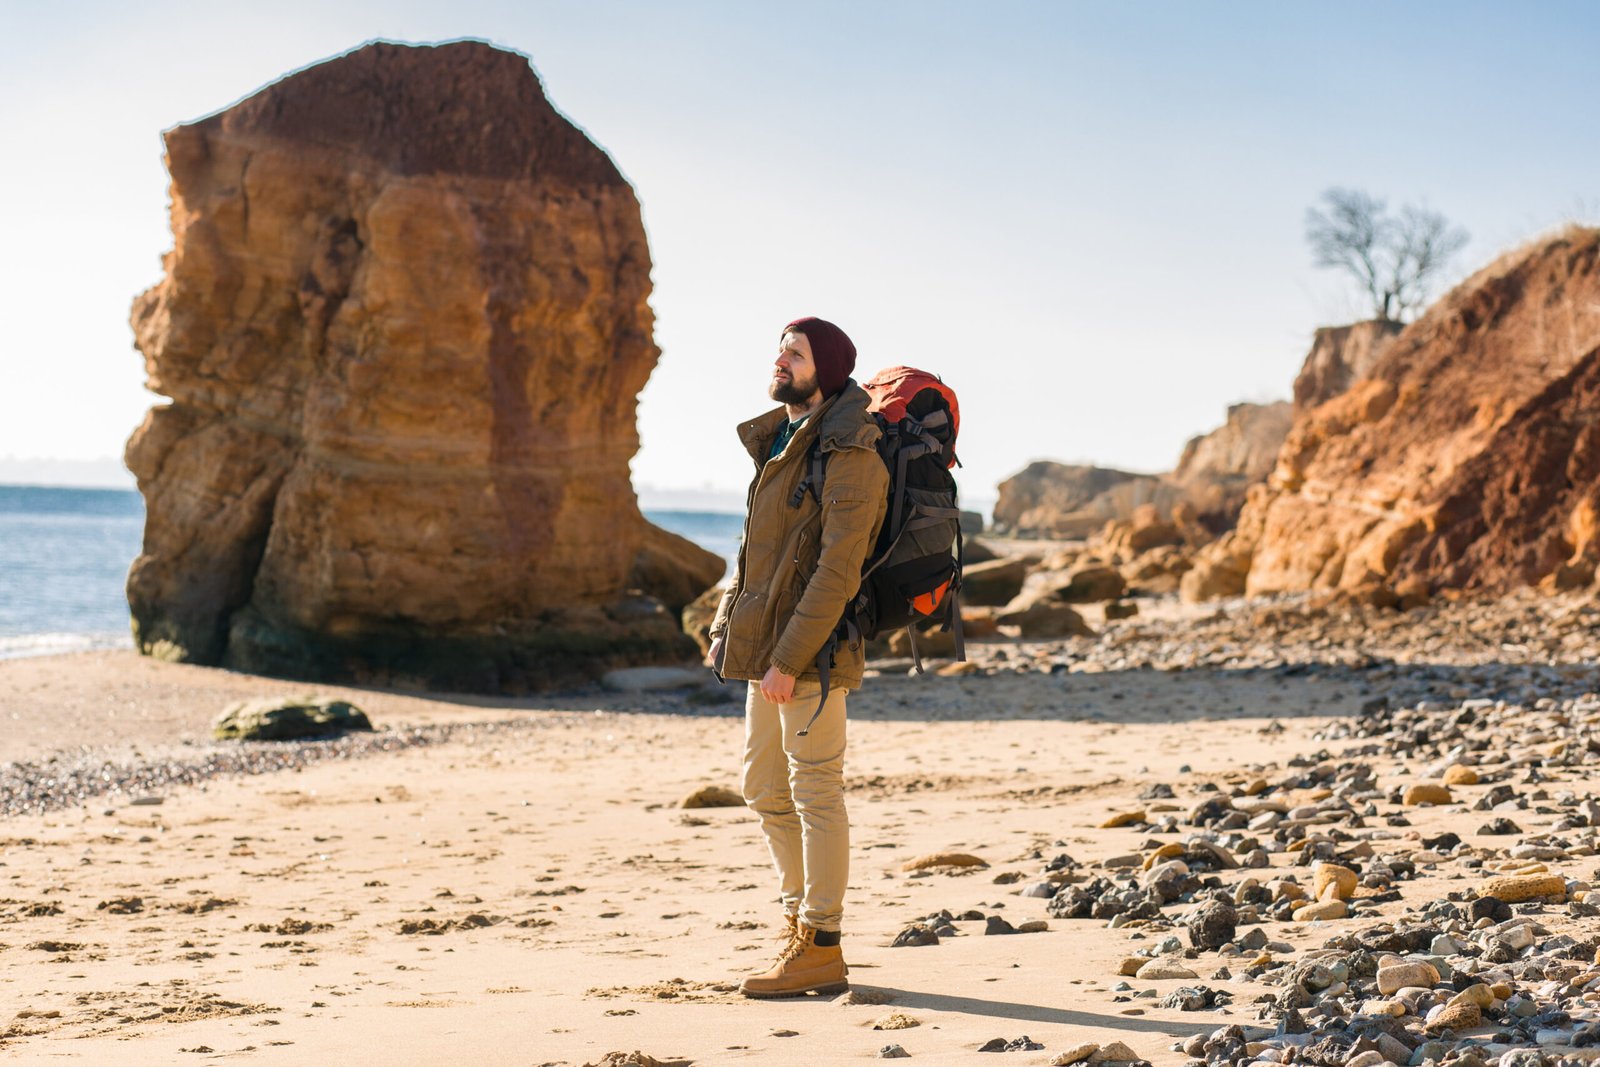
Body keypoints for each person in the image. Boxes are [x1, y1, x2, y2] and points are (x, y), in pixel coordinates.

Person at [706, 317, 888, 998]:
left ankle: (823, 940)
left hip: (811, 654)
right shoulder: (782, 440)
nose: (780, 360)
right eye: (780, 349)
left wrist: (787, 657)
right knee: (763, 788)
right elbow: (752, 552)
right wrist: (728, 625)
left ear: (828, 370)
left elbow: (837, 571)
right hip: (765, 651)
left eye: (796, 352)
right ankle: (797, 921)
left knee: (815, 791)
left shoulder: (852, 454)